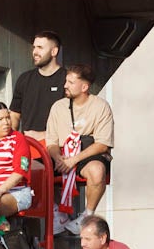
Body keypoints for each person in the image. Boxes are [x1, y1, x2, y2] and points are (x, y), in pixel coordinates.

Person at [44, 64, 113, 229]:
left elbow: (102, 144)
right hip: (61, 155)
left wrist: (74, 160)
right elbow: (51, 141)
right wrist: (58, 158)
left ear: (84, 87)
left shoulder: (100, 106)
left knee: (97, 170)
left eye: (70, 82)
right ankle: (57, 213)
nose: (65, 85)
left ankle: (87, 216)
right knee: (36, 168)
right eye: (66, 81)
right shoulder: (58, 106)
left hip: (86, 155)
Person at [10, 30, 67, 141]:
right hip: (28, 146)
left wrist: (44, 135)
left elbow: (75, 119)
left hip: (58, 146)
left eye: (40, 47)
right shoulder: (24, 79)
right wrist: (12, 140)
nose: (35, 52)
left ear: (54, 51)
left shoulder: (67, 80)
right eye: (34, 47)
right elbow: (14, 115)